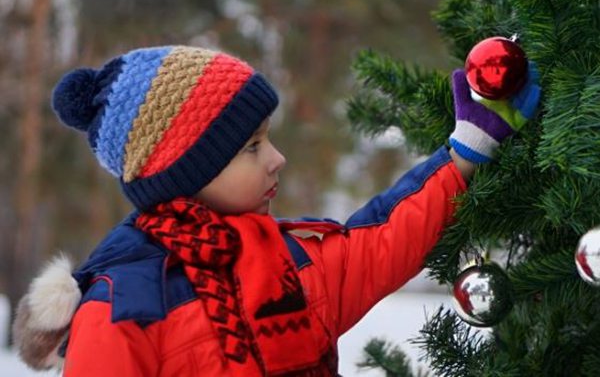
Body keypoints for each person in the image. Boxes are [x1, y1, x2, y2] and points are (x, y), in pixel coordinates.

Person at [12, 45, 540, 376]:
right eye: (252, 147)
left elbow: (380, 242)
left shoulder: (287, 260)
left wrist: (467, 148)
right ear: (186, 172)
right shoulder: (123, 307)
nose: (277, 159)